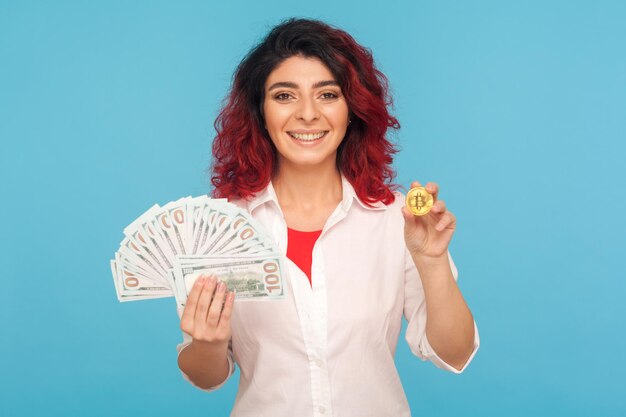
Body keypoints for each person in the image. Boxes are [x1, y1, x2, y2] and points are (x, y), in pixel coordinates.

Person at [176, 18, 480, 417]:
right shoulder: (219, 229)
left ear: (352, 109)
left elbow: (454, 354)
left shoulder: (397, 218)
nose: (307, 114)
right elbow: (206, 377)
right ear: (260, 112)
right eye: (284, 96)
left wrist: (432, 261)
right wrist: (208, 344)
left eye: (327, 95)